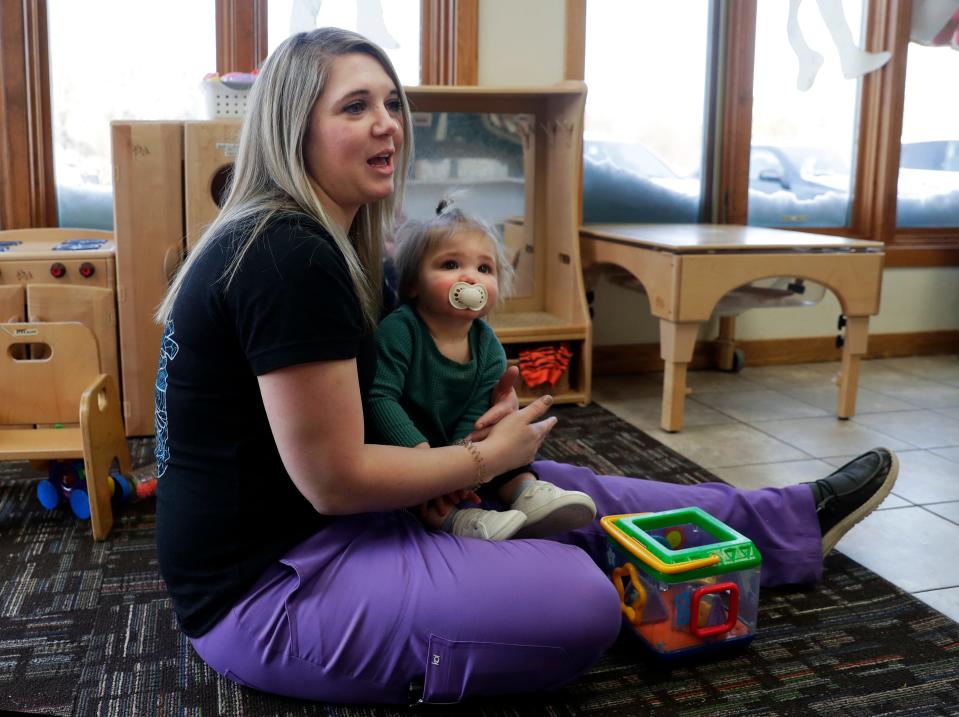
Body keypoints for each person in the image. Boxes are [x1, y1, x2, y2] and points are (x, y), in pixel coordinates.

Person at [153, 27, 900, 706]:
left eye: (390, 102)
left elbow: (381, 402)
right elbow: (335, 478)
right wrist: (475, 456)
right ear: (295, 130)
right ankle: (551, 575)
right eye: (354, 106)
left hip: (341, 524)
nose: (386, 123)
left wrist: (475, 421)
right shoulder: (287, 254)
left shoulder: (340, 245)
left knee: (567, 490)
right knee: (581, 598)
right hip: (272, 586)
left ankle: (789, 522)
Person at [367, 199, 597, 541]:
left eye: (484, 269)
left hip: (461, 446)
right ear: (414, 284)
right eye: (450, 264)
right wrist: (425, 460)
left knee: (504, 438)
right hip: (408, 446)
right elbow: (379, 398)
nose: (470, 278)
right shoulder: (400, 331)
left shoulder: (487, 343)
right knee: (403, 486)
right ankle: (456, 519)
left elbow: (480, 410)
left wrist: (463, 462)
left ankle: (526, 492)